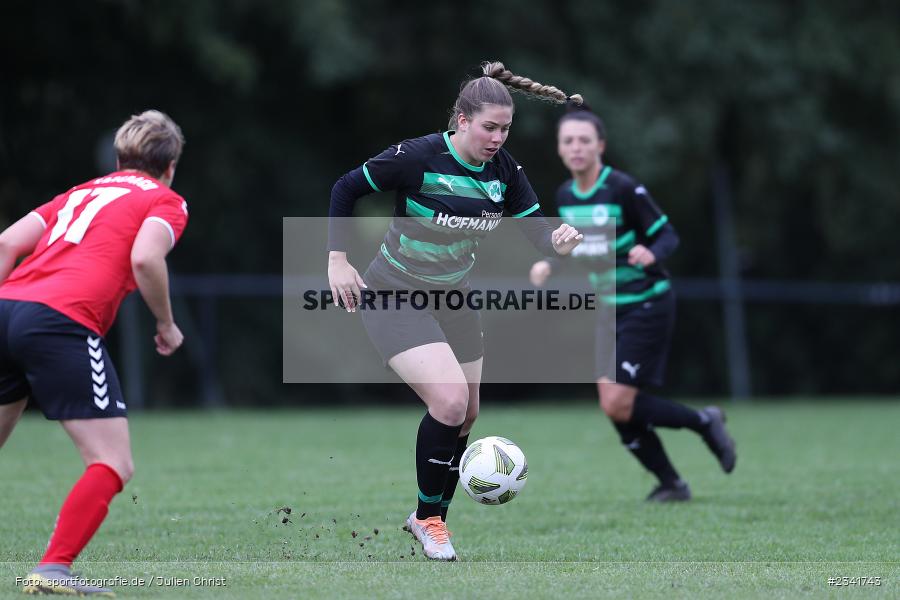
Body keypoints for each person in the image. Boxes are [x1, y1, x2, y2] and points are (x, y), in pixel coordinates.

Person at [328, 62, 583, 561]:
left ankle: (431, 519)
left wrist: (560, 241)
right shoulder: (418, 156)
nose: (497, 137)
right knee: (447, 403)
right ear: (461, 121)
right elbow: (346, 188)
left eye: (505, 128)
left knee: (466, 414)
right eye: (489, 126)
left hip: (454, 299)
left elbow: (538, 233)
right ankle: (428, 519)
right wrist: (337, 260)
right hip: (394, 294)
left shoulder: (504, 171)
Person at [0, 110, 188, 596]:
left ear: (118, 158)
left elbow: (5, 243)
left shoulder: (79, 193)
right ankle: (52, 568)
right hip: (61, 321)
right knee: (112, 461)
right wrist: (166, 323)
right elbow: (145, 257)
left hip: (7, 308)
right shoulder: (166, 200)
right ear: (169, 167)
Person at [530, 104, 736, 502]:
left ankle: (702, 425)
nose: (576, 148)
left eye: (584, 140)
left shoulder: (622, 188)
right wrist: (547, 262)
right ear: (559, 148)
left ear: (600, 146)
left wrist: (652, 252)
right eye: (568, 141)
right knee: (615, 407)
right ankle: (674, 479)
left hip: (646, 302)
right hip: (608, 309)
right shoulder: (565, 195)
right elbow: (573, 245)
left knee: (616, 400)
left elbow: (668, 235)